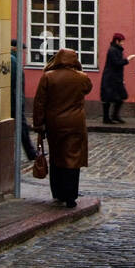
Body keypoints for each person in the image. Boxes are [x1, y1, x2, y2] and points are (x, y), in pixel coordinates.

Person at [32, 47, 93, 207]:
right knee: (73, 158)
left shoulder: (48, 77)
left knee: (57, 156)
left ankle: (58, 192)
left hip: (55, 123)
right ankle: (71, 195)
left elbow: (39, 102)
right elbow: (88, 88)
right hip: (75, 123)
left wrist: (38, 124)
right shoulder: (82, 78)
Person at [10, 38, 36, 161]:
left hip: (15, 100)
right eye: (22, 51)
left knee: (22, 128)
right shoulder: (13, 61)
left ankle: (31, 152)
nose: (24, 54)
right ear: (15, 49)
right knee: (22, 128)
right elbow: (15, 83)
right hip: (14, 101)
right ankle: (31, 153)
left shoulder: (14, 60)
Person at [100, 33, 134, 124]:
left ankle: (114, 116)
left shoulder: (116, 50)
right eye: (122, 41)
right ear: (117, 41)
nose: (123, 43)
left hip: (116, 78)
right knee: (108, 98)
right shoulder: (112, 50)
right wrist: (127, 60)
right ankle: (107, 118)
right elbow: (117, 63)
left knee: (121, 97)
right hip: (110, 79)